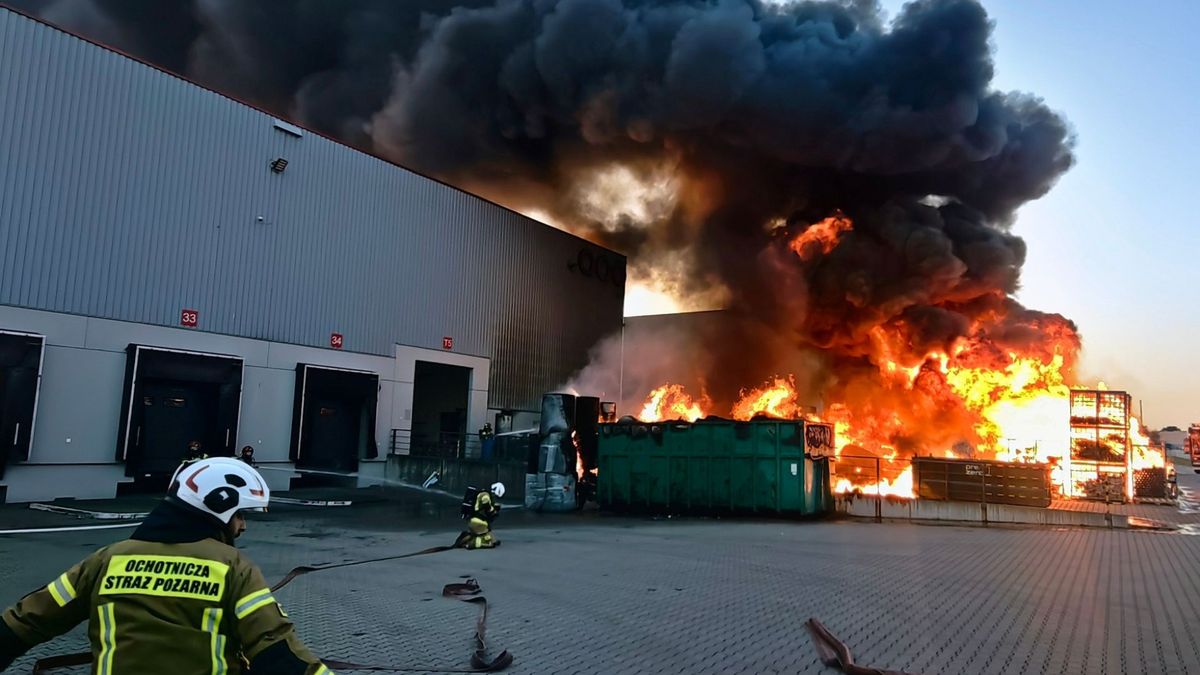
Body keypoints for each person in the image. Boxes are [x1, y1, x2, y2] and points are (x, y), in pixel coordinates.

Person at [0, 457, 333, 674]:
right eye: (240, 515)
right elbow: (276, 650)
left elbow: (25, 622)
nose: (242, 526)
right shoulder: (232, 566)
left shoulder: (107, 558)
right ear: (218, 505)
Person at [455, 482, 504, 550]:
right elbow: (486, 505)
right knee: (482, 536)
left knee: (487, 534)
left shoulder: (484, 493)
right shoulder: (485, 495)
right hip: (477, 520)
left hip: (475, 520)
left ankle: (471, 540)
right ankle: (473, 544)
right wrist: (493, 511)